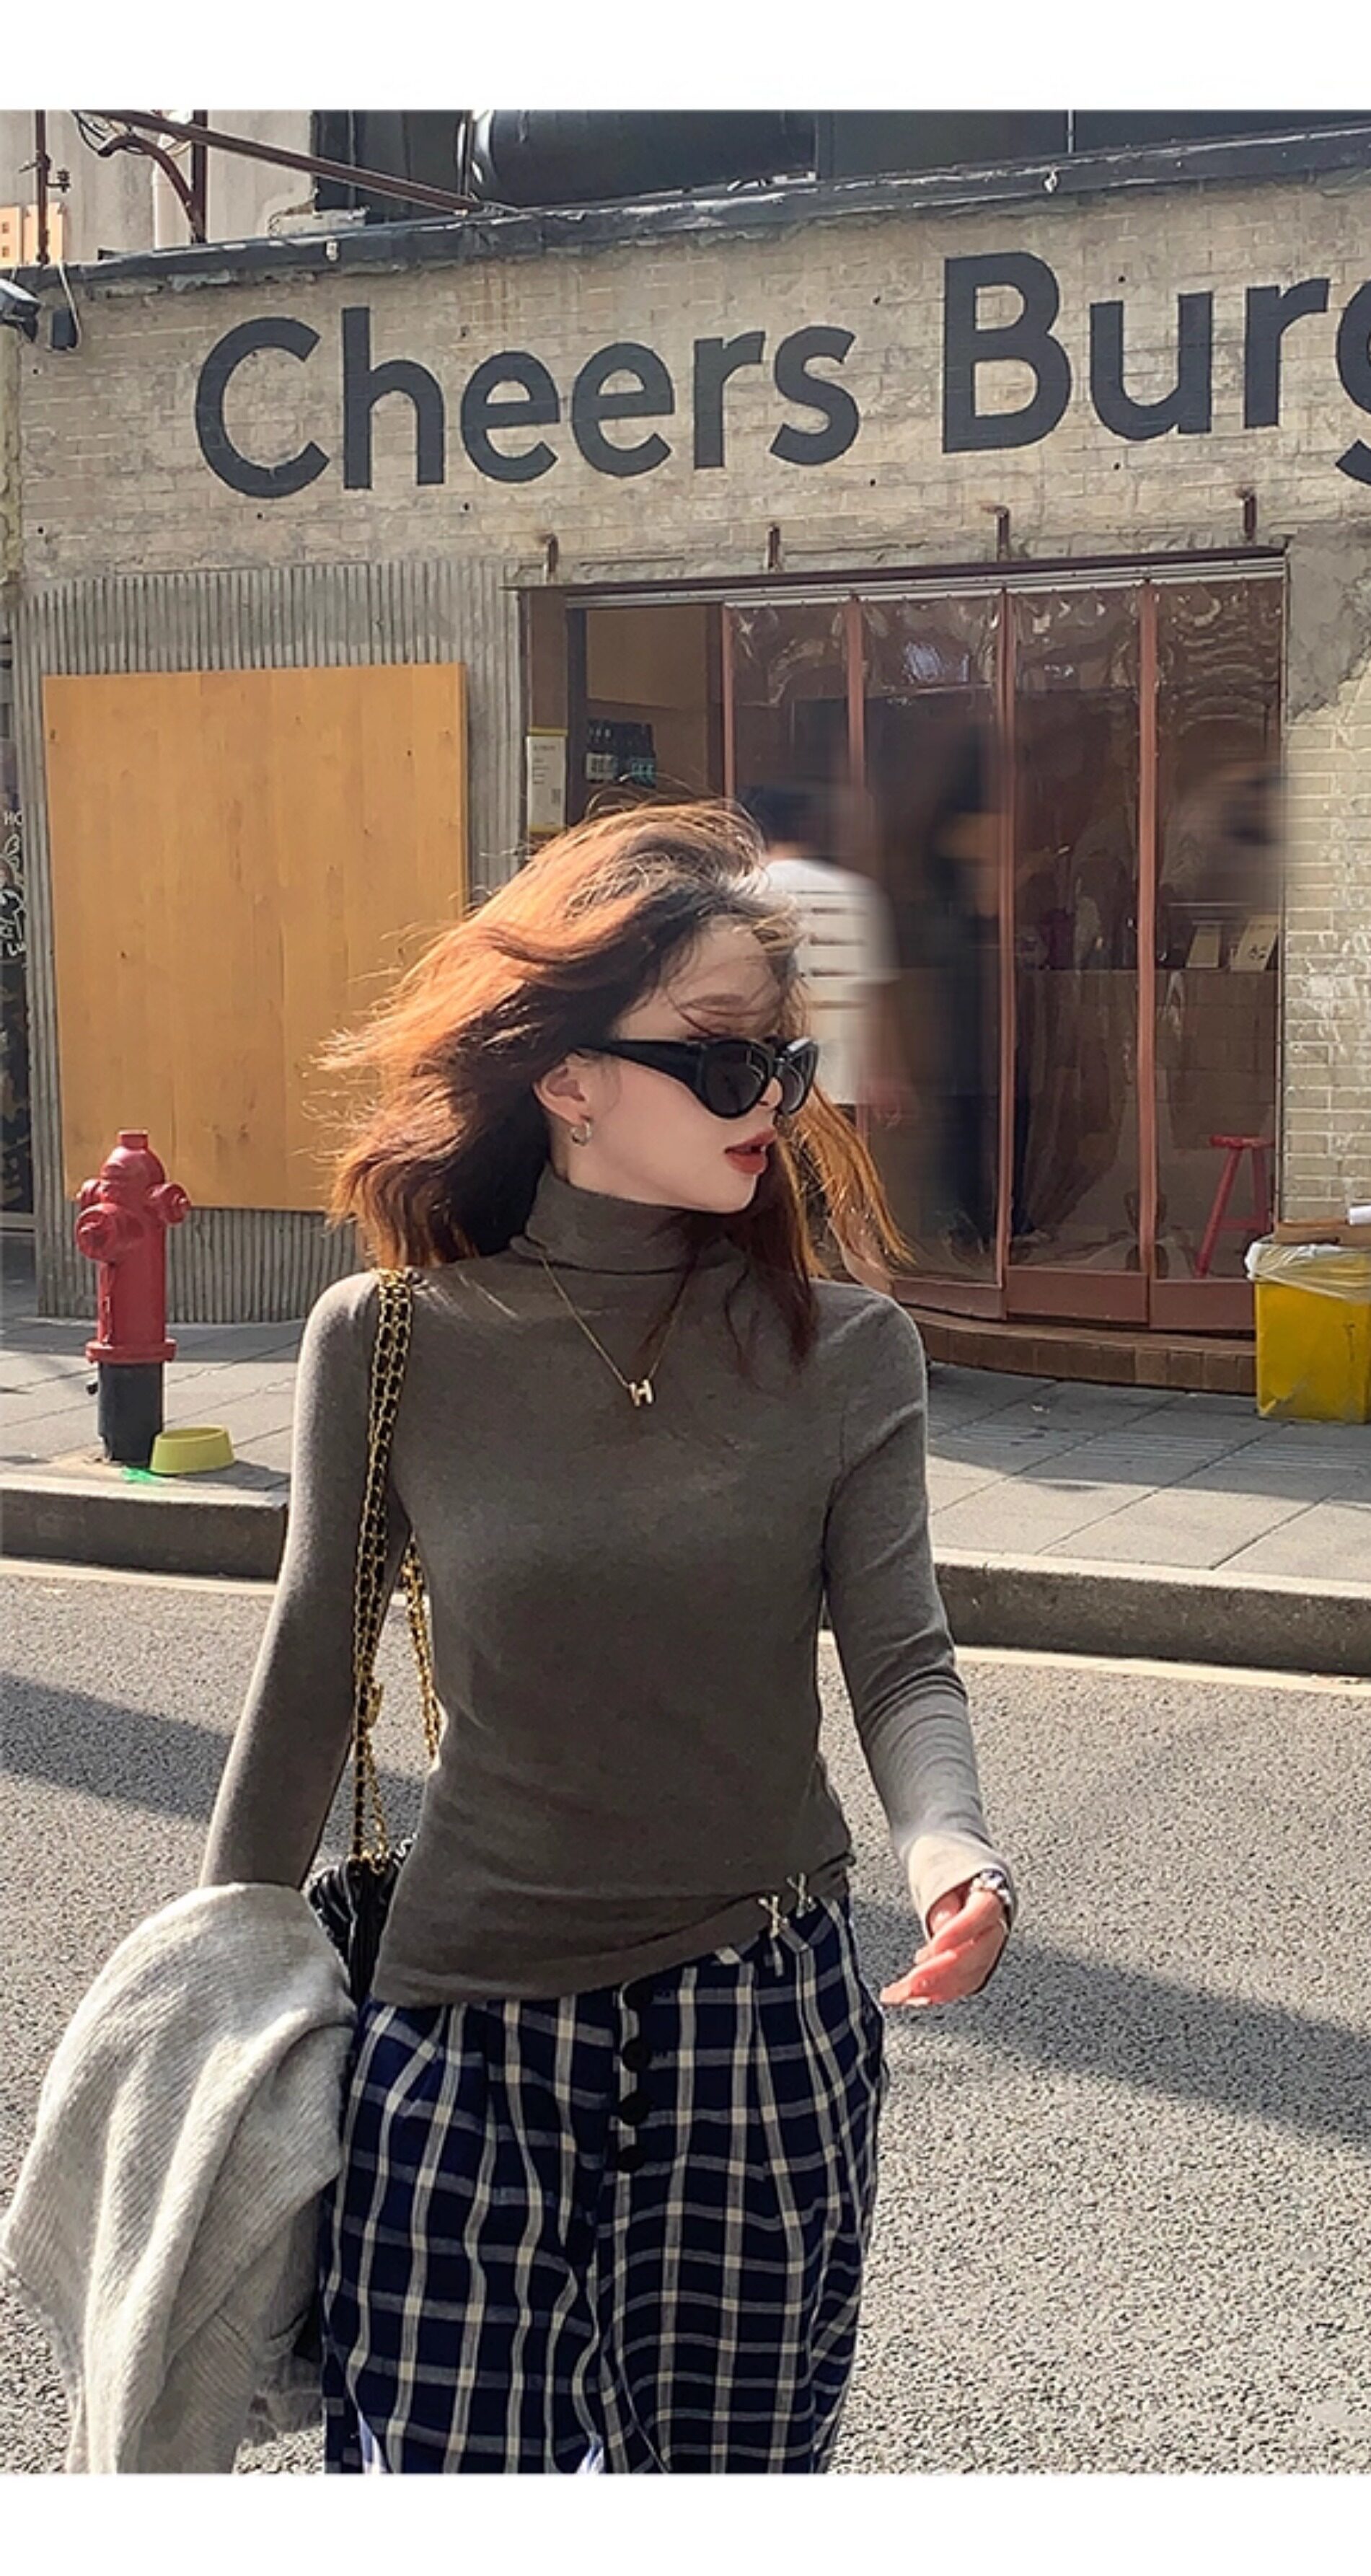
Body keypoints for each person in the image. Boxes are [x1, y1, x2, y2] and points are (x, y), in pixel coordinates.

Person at [199, 800, 1016, 2475]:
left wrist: (950, 1848)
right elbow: (311, 1676)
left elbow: (900, 1660)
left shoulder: (848, 1352)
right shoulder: (390, 1340)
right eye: (720, 1057)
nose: (767, 1099)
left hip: (758, 2024)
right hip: (463, 2026)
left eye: (782, 1061)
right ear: (567, 1075)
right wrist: (212, 1984)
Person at [742, 784, 909, 1128]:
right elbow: (875, 997)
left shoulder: (744, 892)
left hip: (767, 1078)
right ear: (810, 828)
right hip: (843, 1081)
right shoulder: (858, 895)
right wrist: (886, 1074)